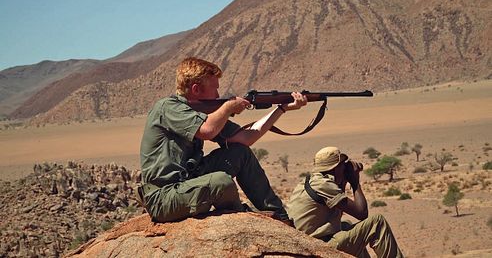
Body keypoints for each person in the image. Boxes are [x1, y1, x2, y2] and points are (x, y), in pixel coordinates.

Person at [138, 57, 307, 223]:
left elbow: (247, 138)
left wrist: (282, 108)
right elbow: (208, 130)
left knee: (240, 152)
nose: (218, 94)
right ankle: (243, 217)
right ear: (196, 89)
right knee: (221, 181)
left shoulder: (203, 115)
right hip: (164, 197)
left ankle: (280, 218)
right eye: (214, 88)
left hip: (187, 182)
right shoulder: (167, 107)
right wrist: (227, 107)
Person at [287, 146, 404, 258]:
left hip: (307, 242)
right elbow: (362, 213)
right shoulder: (324, 185)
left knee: (346, 225)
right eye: (342, 165)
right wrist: (354, 182)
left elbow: (338, 211)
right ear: (334, 168)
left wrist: (342, 179)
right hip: (318, 246)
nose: (345, 167)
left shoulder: (312, 180)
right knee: (377, 222)